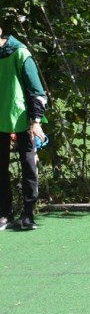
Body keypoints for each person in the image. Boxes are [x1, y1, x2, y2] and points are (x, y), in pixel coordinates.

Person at [0, 25, 47, 231]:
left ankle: (28, 214)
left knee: (29, 167)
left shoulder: (20, 52)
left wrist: (36, 121)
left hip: (23, 120)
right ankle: (5, 214)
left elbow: (37, 90)